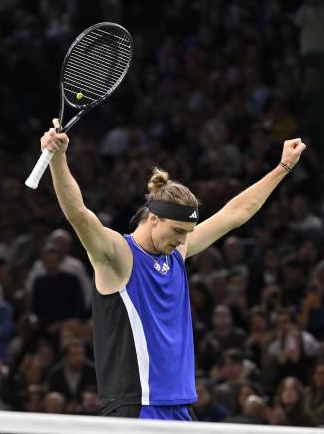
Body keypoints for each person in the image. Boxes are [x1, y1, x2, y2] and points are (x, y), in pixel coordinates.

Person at [39, 118, 306, 420]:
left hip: (179, 407)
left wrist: (283, 168)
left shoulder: (177, 251)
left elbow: (235, 213)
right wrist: (58, 160)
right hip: (137, 407)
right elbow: (78, 214)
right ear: (153, 218)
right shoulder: (117, 256)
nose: (184, 240)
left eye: (187, 232)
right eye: (178, 231)